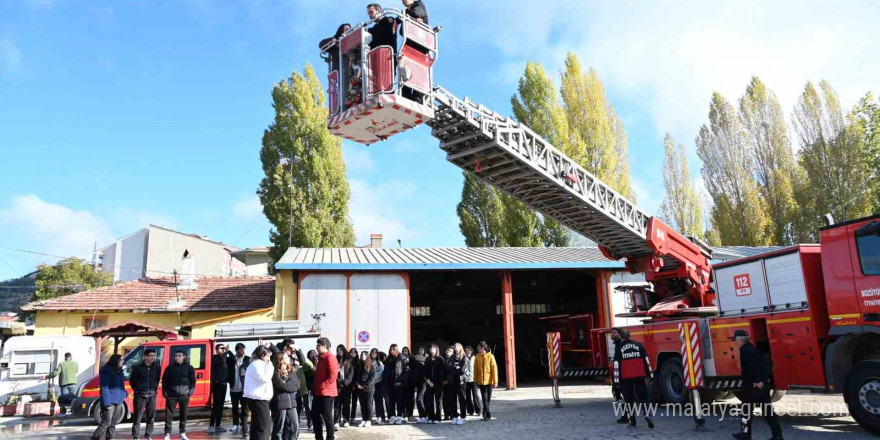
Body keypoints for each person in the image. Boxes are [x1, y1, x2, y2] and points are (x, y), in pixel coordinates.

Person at [733, 329, 783, 440]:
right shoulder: (756, 350)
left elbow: (750, 367)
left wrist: (755, 381)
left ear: (740, 340)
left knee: (746, 411)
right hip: (763, 385)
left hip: (752, 386)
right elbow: (766, 365)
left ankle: (745, 434)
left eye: (735, 340)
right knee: (768, 411)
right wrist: (763, 380)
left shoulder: (745, 351)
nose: (735, 343)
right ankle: (777, 435)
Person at [612, 328, 654, 429]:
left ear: (621, 336)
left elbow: (616, 365)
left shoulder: (619, 348)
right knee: (644, 398)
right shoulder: (639, 345)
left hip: (626, 378)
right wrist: (650, 375)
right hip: (639, 376)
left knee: (629, 400)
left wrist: (616, 382)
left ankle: (633, 422)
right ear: (629, 335)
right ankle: (647, 414)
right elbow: (646, 361)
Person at [162, 350, 195, 440]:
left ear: (184, 357)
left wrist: (190, 392)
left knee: (183, 415)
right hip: (171, 395)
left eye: (179, 355)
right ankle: (167, 434)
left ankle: (182, 433)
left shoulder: (189, 367)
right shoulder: (170, 367)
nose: (177, 357)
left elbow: (193, 381)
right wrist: (165, 392)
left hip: (184, 395)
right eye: (176, 355)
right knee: (169, 415)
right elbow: (164, 380)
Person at [312, 337, 340, 440]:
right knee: (315, 415)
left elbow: (333, 376)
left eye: (318, 346)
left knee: (327, 417)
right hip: (318, 392)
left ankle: (330, 438)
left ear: (324, 346)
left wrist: (323, 385)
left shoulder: (330, 357)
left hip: (327, 393)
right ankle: (318, 437)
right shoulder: (321, 357)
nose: (316, 347)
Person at [92, 354, 125, 440]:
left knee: (113, 423)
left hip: (118, 400)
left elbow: (121, 385)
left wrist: (124, 394)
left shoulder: (120, 371)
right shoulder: (106, 371)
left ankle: (110, 438)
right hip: (109, 401)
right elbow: (104, 388)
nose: (123, 361)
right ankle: (95, 438)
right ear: (116, 361)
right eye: (121, 360)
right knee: (106, 423)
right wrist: (107, 403)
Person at [244, 346, 275, 440]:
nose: (269, 360)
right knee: (264, 426)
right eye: (268, 357)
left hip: (258, 398)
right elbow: (264, 379)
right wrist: (270, 366)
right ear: (262, 356)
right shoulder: (257, 364)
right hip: (258, 398)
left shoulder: (256, 364)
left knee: (256, 425)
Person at [130, 348, 160, 440]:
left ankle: (148, 435)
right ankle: (136, 436)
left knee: (151, 417)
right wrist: (138, 390)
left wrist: (154, 390)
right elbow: (132, 381)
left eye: (154, 356)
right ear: (145, 356)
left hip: (152, 395)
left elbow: (157, 379)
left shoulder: (157, 368)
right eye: (151, 355)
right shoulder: (137, 367)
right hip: (140, 395)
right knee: (137, 418)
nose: (153, 357)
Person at [271, 355, 301, 440]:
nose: (288, 358)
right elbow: (283, 386)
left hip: (292, 402)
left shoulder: (291, 369)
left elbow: (298, 384)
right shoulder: (275, 372)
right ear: (281, 360)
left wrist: (290, 385)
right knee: (279, 428)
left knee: (295, 425)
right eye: (286, 357)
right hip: (280, 403)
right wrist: (292, 386)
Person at [229, 343, 251, 436]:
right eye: (241, 350)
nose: (242, 352)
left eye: (243, 350)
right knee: (234, 407)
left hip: (243, 388)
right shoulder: (231, 360)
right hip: (234, 387)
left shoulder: (247, 359)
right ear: (237, 351)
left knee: (244, 408)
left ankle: (244, 425)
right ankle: (235, 424)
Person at [473, 341, 497, 421]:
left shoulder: (490, 356)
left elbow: (494, 369)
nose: (477, 349)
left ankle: (484, 412)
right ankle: (488, 414)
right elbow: (475, 370)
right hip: (481, 381)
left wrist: (495, 381)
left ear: (483, 347)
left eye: (479, 347)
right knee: (484, 398)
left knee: (488, 399)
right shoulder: (477, 357)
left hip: (489, 380)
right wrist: (475, 380)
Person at [208, 344, 230, 433]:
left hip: (224, 384)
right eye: (221, 348)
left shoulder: (225, 357)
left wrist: (228, 352)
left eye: (224, 348)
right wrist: (225, 353)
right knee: (216, 405)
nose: (223, 350)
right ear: (216, 350)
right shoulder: (215, 358)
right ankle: (211, 425)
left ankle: (218, 425)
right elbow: (221, 361)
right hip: (217, 384)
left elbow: (232, 359)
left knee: (221, 405)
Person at [609, 328, 627, 424]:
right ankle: (626, 416)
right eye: (612, 333)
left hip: (620, 376)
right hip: (620, 375)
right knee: (622, 395)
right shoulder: (618, 344)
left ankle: (625, 416)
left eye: (614, 333)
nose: (612, 334)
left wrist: (616, 379)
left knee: (618, 394)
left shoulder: (619, 345)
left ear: (620, 335)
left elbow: (619, 362)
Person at [390, 344, 410, 424]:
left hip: (400, 383)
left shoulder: (403, 358)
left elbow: (406, 370)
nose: (392, 351)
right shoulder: (391, 358)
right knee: (392, 401)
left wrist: (400, 380)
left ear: (397, 350)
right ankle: (392, 416)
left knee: (400, 401)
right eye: (391, 350)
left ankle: (399, 416)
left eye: (393, 349)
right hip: (392, 383)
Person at [448, 343, 468, 425]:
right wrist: (457, 368)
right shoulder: (452, 357)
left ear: (460, 347)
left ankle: (463, 417)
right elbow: (449, 367)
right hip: (453, 380)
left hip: (461, 380)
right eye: (455, 346)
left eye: (457, 346)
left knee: (462, 399)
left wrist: (456, 368)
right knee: (453, 399)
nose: (455, 347)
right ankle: (455, 416)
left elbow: (462, 370)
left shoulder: (464, 357)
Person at [424, 344, 444, 424]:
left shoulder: (440, 359)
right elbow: (424, 372)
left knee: (438, 400)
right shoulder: (427, 359)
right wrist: (428, 381)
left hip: (438, 383)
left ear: (436, 350)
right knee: (430, 400)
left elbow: (442, 372)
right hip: (429, 382)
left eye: (433, 348)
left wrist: (438, 382)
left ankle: (438, 417)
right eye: (431, 347)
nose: (431, 349)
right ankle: (431, 416)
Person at [356, 351, 376, 427]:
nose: (362, 355)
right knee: (362, 405)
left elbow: (372, 378)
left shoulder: (371, 366)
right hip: (360, 388)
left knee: (368, 404)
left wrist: (364, 386)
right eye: (362, 354)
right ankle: (364, 419)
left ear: (367, 356)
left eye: (364, 354)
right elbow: (357, 376)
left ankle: (369, 420)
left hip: (369, 389)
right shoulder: (360, 365)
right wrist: (357, 384)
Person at [341, 347, 359, 427]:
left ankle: (352, 417)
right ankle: (346, 418)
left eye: (354, 352)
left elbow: (358, 374)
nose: (353, 353)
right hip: (348, 384)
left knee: (354, 402)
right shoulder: (347, 361)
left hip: (356, 385)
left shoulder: (358, 362)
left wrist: (355, 384)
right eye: (351, 352)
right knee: (347, 402)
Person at [464, 345, 481, 418]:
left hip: (474, 380)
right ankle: (470, 411)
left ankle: (478, 410)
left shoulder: (475, 358)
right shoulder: (464, 358)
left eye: (469, 350)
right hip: (466, 380)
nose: (467, 352)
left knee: (475, 395)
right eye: (466, 350)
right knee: (467, 396)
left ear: (471, 351)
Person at [412, 346, 428, 423]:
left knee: (419, 398)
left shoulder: (427, 358)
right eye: (419, 350)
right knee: (421, 399)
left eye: (422, 350)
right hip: (418, 382)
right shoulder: (415, 358)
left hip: (424, 381)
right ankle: (424, 416)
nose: (420, 351)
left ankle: (423, 416)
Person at [333, 345, 347, 427]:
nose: (339, 352)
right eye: (338, 350)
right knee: (337, 404)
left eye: (341, 350)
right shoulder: (335, 359)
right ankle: (336, 421)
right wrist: (339, 382)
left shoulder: (348, 360)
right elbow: (333, 372)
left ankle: (346, 420)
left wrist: (345, 382)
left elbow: (351, 372)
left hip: (346, 385)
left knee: (346, 403)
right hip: (337, 385)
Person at [401, 346, 416, 421]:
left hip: (410, 382)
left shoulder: (412, 358)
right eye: (403, 350)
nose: (405, 351)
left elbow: (415, 369)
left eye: (406, 350)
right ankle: (404, 414)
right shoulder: (400, 359)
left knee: (411, 399)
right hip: (403, 382)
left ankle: (410, 415)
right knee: (403, 399)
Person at [382, 349, 396, 424]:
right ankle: (390, 416)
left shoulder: (396, 360)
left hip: (394, 383)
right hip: (386, 384)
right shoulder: (385, 362)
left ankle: (394, 415)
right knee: (388, 401)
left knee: (392, 401)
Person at [372, 350, 386, 424]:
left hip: (378, 384)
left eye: (375, 353)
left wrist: (372, 378)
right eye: (372, 352)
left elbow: (380, 373)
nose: (373, 354)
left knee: (379, 401)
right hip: (371, 384)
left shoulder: (380, 363)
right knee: (375, 402)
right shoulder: (369, 362)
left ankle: (382, 417)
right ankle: (378, 417)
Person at [442, 346, 455, 421]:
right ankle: (446, 414)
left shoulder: (454, 359)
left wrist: (448, 380)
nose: (448, 351)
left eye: (450, 350)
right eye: (447, 350)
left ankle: (452, 414)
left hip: (451, 382)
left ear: (452, 352)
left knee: (452, 399)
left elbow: (453, 372)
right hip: (443, 382)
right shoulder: (442, 359)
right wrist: (443, 380)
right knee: (445, 399)